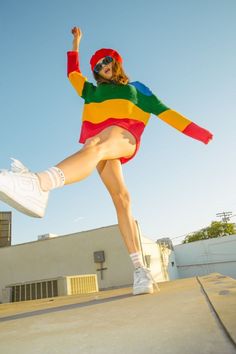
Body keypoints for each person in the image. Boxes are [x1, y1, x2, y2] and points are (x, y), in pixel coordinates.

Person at [0, 27, 213, 296]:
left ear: (116, 62)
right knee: (121, 199)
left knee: (97, 142)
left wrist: (198, 132)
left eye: (106, 60)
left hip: (124, 136)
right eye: (98, 65)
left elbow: (165, 111)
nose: (103, 66)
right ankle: (140, 271)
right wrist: (75, 44)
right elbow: (72, 74)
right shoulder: (90, 91)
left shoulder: (137, 89)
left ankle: (39, 184)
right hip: (97, 149)